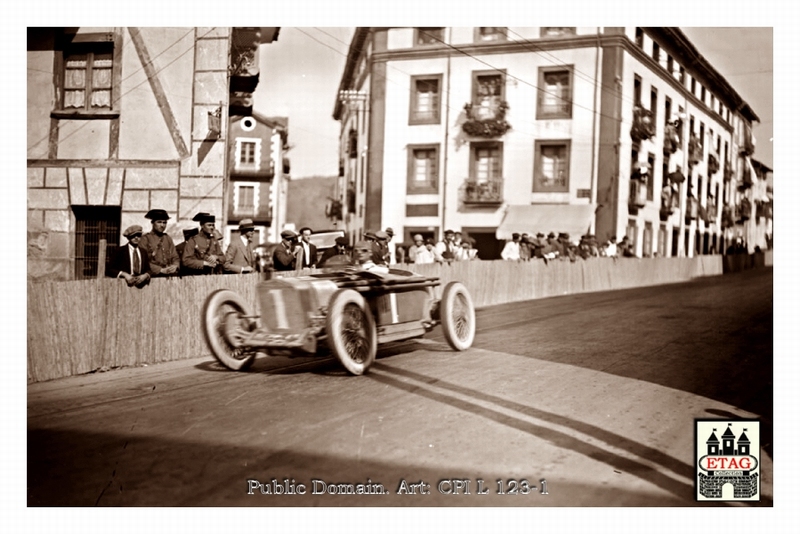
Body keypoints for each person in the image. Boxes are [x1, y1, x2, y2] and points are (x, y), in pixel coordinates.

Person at [140, 209, 179, 277]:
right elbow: (142, 261)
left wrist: (175, 266)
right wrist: (160, 270)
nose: (162, 225)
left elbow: (175, 257)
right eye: (159, 222)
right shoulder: (145, 239)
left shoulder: (167, 238)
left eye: (164, 222)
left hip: (169, 276)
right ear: (152, 223)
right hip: (152, 276)